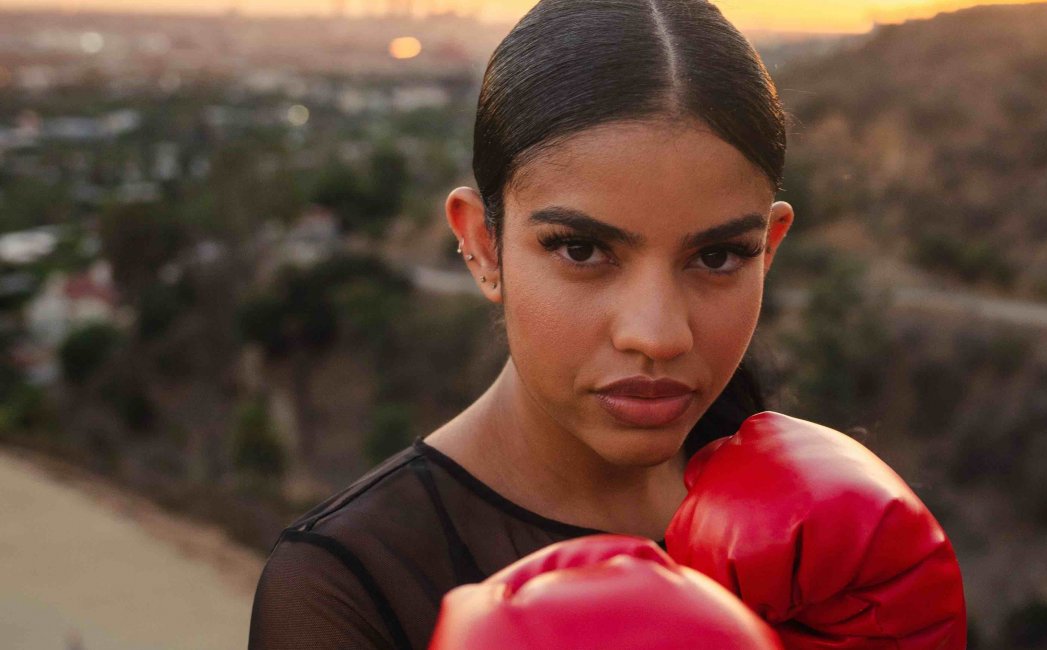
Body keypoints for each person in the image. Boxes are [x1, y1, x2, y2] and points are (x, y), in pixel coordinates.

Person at [248, 0, 796, 647]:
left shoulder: (820, 539)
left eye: (717, 256)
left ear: (769, 248)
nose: (657, 335)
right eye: (582, 250)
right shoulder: (347, 586)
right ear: (483, 246)